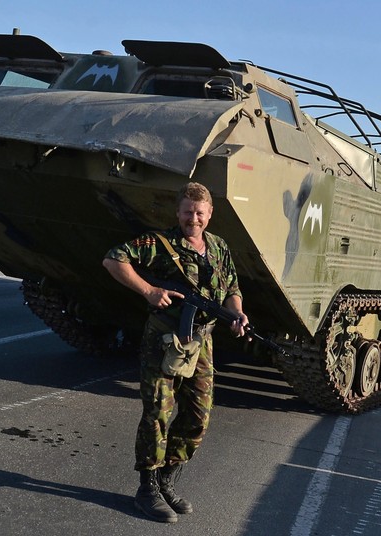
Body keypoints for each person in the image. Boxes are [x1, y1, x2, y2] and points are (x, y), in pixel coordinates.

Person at [102, 181, 248, 523]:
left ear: (210, 214)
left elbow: (232, 288)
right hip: (164, 341)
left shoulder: (219, 247)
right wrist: (149, 290)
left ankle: (167, 479)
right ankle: (147, 487)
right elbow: (112, 259)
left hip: (202, 341)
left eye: (199, 213)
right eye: (187, 212)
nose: (193, 219)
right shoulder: (159, 244)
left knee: (199, 417)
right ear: (178, 213)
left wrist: (237, 313)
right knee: (158, 413)